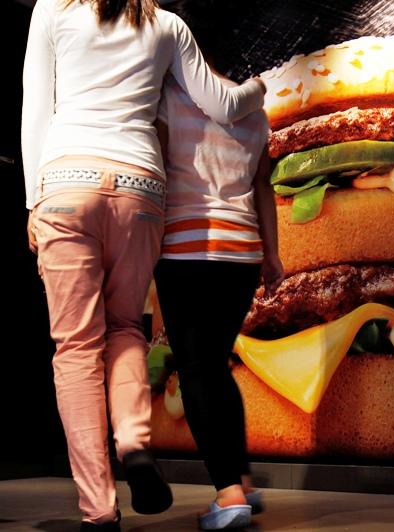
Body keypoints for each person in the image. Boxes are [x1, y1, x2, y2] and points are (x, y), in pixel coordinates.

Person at [21, 0, 266, 530]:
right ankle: (133, 443)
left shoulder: (52, 9)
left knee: (76, 348)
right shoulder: (167, 23)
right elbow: (223, 104)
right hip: (140, 188)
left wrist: (32, 201)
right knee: (127, 326)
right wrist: (259, 87)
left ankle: (99, 508)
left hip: (67, 180)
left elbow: (36, 108)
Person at [152, 1, 283, 529]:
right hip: (243, 253)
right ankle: (243, 484)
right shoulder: (254, 110)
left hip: (185, 249)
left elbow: (157, 177)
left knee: (198, 369)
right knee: (218, 364)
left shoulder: (168, 97)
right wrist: (272, 255)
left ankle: (228, 495)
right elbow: (262, 187)